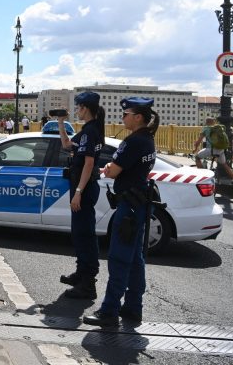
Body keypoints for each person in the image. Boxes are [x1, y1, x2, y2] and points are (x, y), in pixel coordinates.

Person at [83, 97, 159, 327]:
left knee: (119, 258)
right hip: (139, 203)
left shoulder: (134, 141)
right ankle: (134, 307)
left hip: (129, 206)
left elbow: (114, 171)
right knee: (135, 259)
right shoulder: (148, 140)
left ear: (138, 117)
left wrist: (108, 168)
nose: (122, 118)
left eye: (126, 114)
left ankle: (109, 311)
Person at [56, 92, 105, 300]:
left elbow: (89, 163)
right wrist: (60, 123)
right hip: (82, 188)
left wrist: (78, 193)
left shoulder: (91, 131)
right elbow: (67, 146)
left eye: (78, 107)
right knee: (80, 233)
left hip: (83, 190)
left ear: (85, 108)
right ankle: (80, 274)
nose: (76, 111)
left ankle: (87, 284)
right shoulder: (88, 130)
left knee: (85, 235)